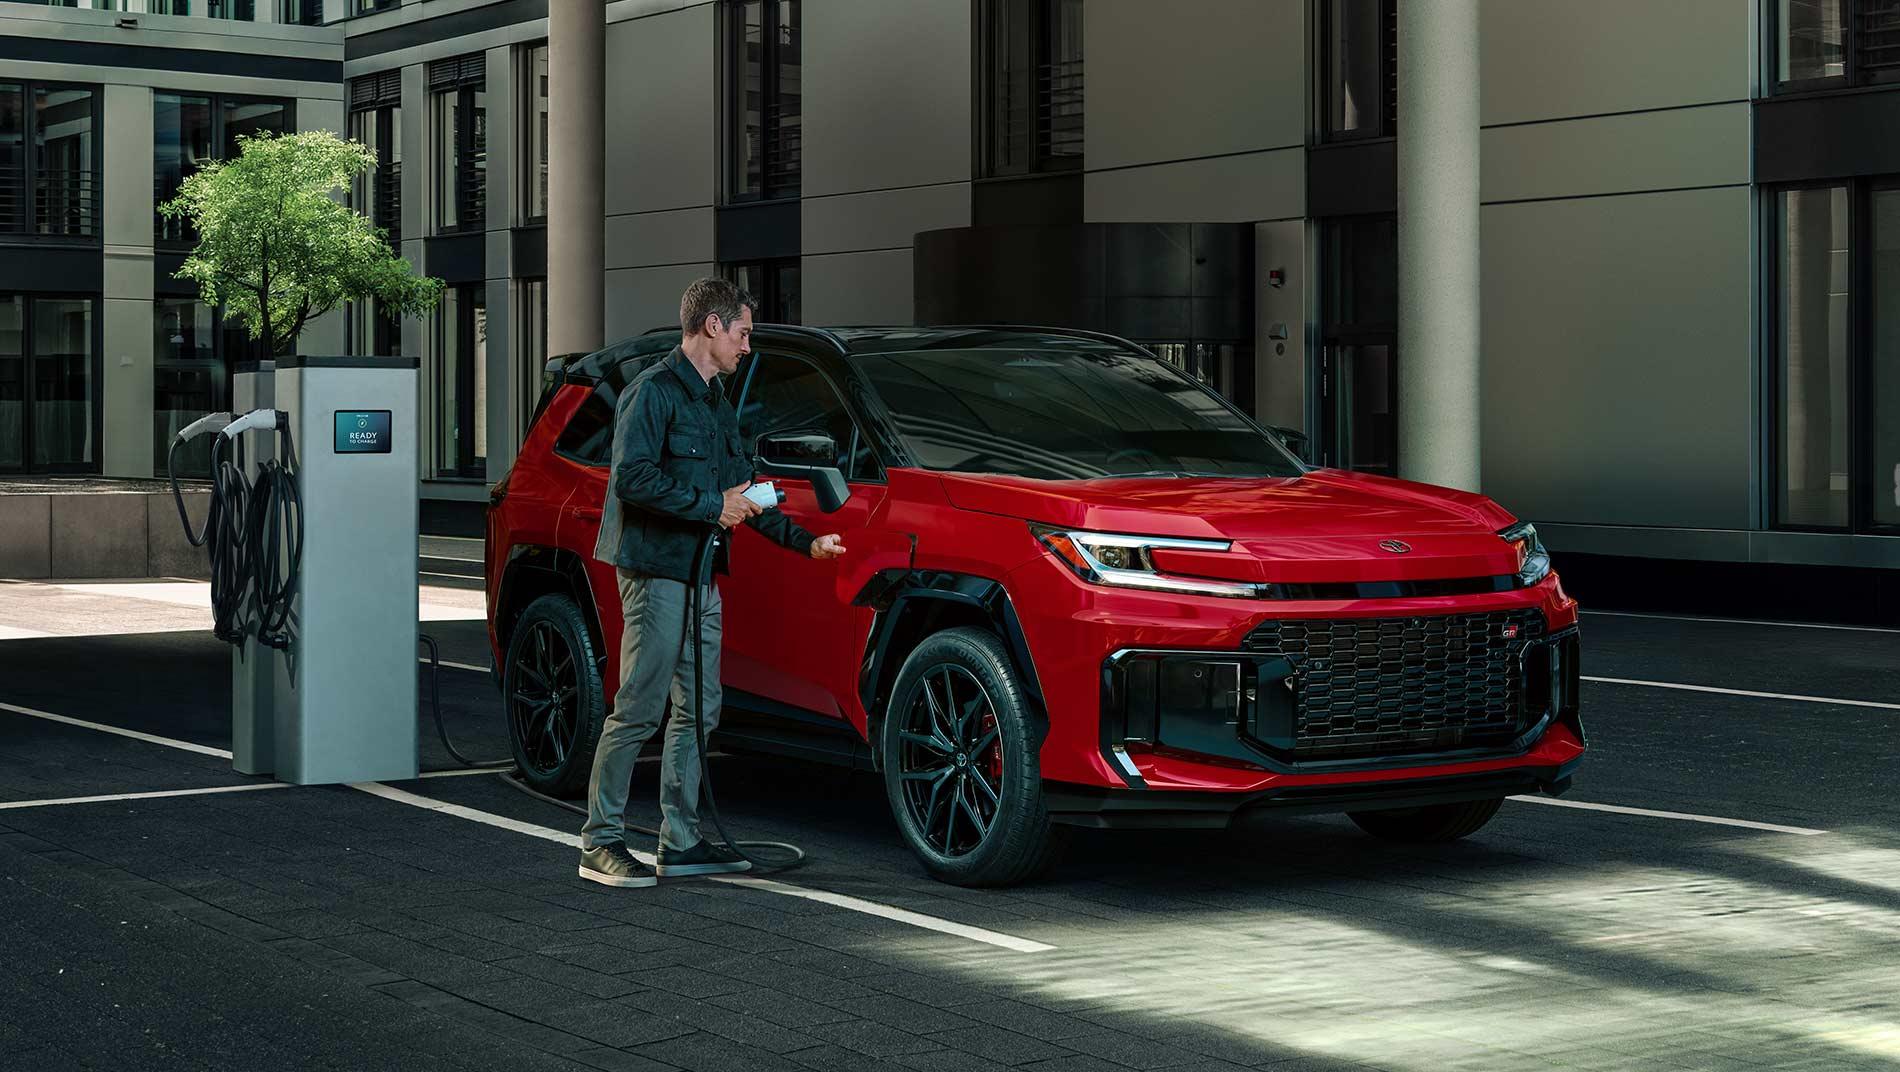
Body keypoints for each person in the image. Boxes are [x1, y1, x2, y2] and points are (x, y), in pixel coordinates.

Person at [578, 278, 845, 888]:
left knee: (700, 708)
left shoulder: (716, 403)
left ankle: (681, 841)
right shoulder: (652, 394)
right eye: (744, 333)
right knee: (640, 706)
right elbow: (632, 481)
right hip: (655, 571)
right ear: (713, 327)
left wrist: (809, 542)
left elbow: (744, 493)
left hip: (701, 575)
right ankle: (600, 840)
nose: (747, 346)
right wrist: (708, 506)